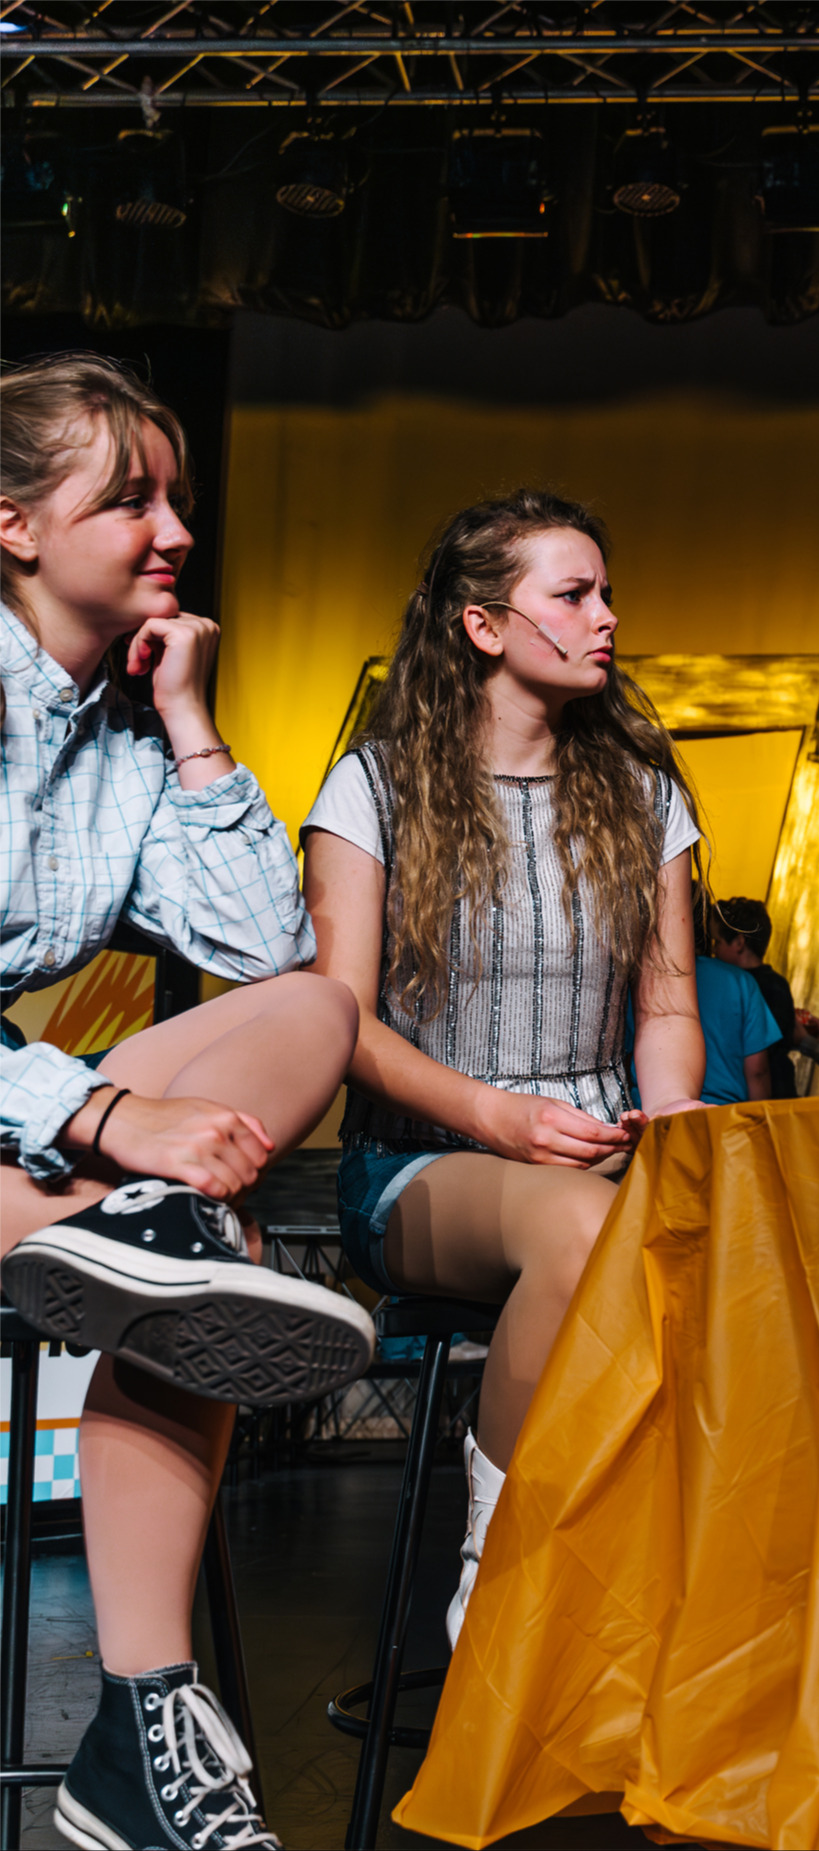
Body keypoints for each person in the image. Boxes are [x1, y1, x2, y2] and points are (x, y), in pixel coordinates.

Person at [0, 353, 373, 1851]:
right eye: (129, 499)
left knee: (316, 1011)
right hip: (38, 1119)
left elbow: (263, 950)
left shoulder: (123, 733)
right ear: (15, 523)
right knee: (182, 1247)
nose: (172, 532)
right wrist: (97, 1120)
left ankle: (138, 1729)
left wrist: (193, 723)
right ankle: (148, 1726)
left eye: (180, 501)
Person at [302, 489, 705, 1650]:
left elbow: (668, 1005)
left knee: (758, 1244)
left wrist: (670, 1113)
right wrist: (496, 1115)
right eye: (573, 596)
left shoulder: (642, 796)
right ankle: (504, 1569)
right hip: (422, 1170)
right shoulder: (373, 789)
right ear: (485, 627)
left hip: (596, 1150)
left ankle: (705, 1615)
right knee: (581, 1233)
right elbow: (343, 1022)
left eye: (607, 592)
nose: (606, 618)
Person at [692, 911, 784, 1106]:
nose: (715, 950)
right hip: (723, 1112)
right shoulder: (741, 983)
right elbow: (757, 1070)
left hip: (649, 1110)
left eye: (717, 942)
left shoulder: (645, 979)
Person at [711, 897, 798, 1098]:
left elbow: (759, 1064)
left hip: (765, 1097)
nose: (713, 950)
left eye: (717, 942)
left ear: (739, 942)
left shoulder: (739, 986)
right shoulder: (779, 985)